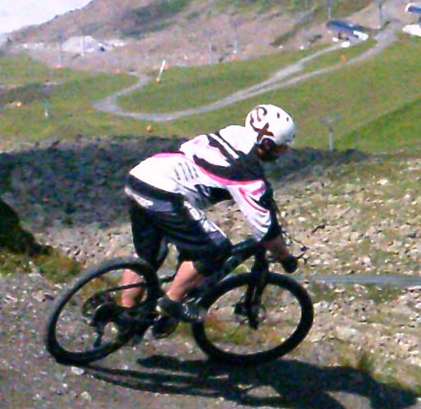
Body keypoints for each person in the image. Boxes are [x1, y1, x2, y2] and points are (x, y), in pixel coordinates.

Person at [121, 103, 300, 329]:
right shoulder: (246, 171)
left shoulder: (234, 133)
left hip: (142, 176)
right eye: (281, 148)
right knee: (215, 248)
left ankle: (124, 317)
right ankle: (171, 302)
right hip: (165, 191)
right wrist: (286, 258)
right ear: (267, 143)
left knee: (148, 256)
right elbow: (265, 231)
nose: (282, 153)